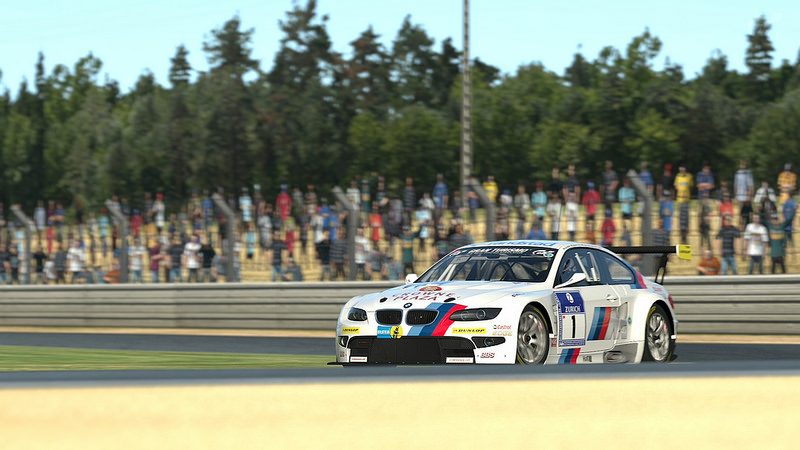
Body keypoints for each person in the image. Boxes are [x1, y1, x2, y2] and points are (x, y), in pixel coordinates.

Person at [734, 160, 754, 228]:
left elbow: (750, 185)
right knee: (739, 212)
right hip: (739, 195)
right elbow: (735, 185)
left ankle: (748, 226)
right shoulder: (737, 173)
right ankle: (740, 226)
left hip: (746, 196)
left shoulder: (748, 173)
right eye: (741, 164)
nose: (743, 165)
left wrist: (750, 196)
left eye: (744, 164)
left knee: (747, 212)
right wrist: (736, 195)